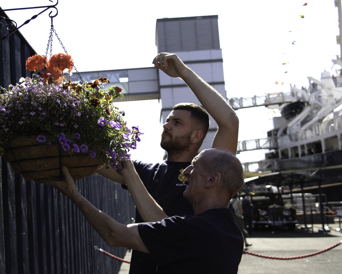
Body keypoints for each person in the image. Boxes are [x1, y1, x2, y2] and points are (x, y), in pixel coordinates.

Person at [96, 52, 239, 273]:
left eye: (177, 122)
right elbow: (94, 161)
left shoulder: (208, 173)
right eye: (168, 120)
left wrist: (183, 72)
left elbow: (230, 122)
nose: (167, 125)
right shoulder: (144, 171)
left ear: (196, 136)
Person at [47, 148, 245, 274]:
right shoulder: (230, 232)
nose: (185, 172)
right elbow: (161, 223)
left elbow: (114, 234)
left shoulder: (194, 231)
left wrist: (74, 195)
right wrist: (131, 174)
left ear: (212, 180)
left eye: (194, 166)